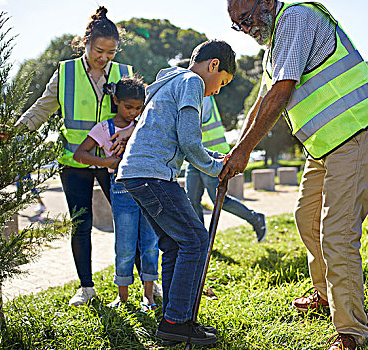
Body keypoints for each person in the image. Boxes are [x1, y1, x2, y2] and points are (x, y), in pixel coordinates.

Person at [225, 1, 368, 349]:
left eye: (245, 19)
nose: (244, 29)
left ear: (266, 2)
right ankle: (327, 295)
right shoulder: (274, 45)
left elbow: (281, 93)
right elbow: (261, 101)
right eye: (236, 25)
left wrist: (244, 151)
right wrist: (236, 148)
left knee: (337, 232)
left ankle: (350, 332)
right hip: (326, 142)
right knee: (307, 218)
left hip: (357, 128)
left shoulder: (296, 18)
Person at [14, 7, 136, 306]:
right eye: (99, 50)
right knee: (81, 224)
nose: (104, 57)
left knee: (130, 221)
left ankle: (146, 283)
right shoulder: (66, 72)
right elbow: (41, 109)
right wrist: (14, 131)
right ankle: (86, 288)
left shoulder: (123, 73)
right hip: (74, 163)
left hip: (114, 163)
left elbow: (137, 115)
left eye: (110, 52)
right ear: (85, 42)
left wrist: (129, 135)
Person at [117, 40, 235, 346]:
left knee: (173, 244)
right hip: (153, 174)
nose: (218, 91)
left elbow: (176, 138)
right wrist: (216, 167)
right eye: (221, 82)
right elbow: (188, 140)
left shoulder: (169, 82)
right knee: (196, 241)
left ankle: (173, 320)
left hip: (137, 172)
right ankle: (177, 321)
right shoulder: (192, 82)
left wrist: (213, 158)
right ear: (213, 66)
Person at [73, 77, 159, 311]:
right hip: (121, 189)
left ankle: (149, 296)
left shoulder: (145, 124)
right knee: (125, 245)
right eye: (128, 107)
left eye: (138, 108)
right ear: (116, 101)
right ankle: (122, 297)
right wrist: (106, 161)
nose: (133, 112)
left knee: (150, 244)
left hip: (149, 187)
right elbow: (80, 154)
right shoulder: (104, 128)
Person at [174, 59, 267, 242]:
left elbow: (191, 121)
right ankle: (200, 241)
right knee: (192, 199)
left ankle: (255, 218)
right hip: (196, 156)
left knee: (219, 199)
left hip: (214, 156)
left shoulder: (202, 95)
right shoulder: (194, 92)